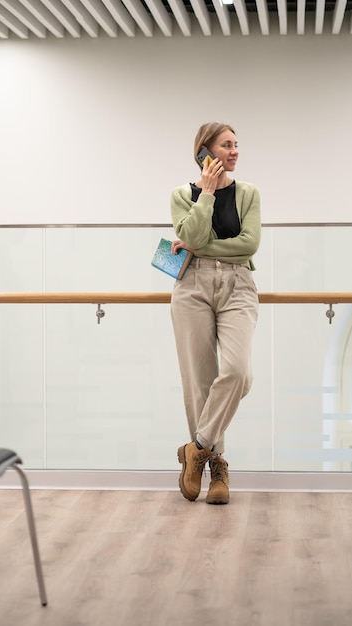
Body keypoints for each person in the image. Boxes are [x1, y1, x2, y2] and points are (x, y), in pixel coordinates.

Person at [170, 121, 261, 505]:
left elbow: (249, 246)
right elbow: (190, 238)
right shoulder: (182, 195)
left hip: (238, 286)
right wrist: (205, 194)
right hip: (191, 288)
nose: (235, 151)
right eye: (227, 145)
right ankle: (217, 470)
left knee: (238, 372)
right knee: (199, 383)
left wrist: (200, 246)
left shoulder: (249, 194)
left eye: (236, 145)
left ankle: (198, 448)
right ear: (205, 152)